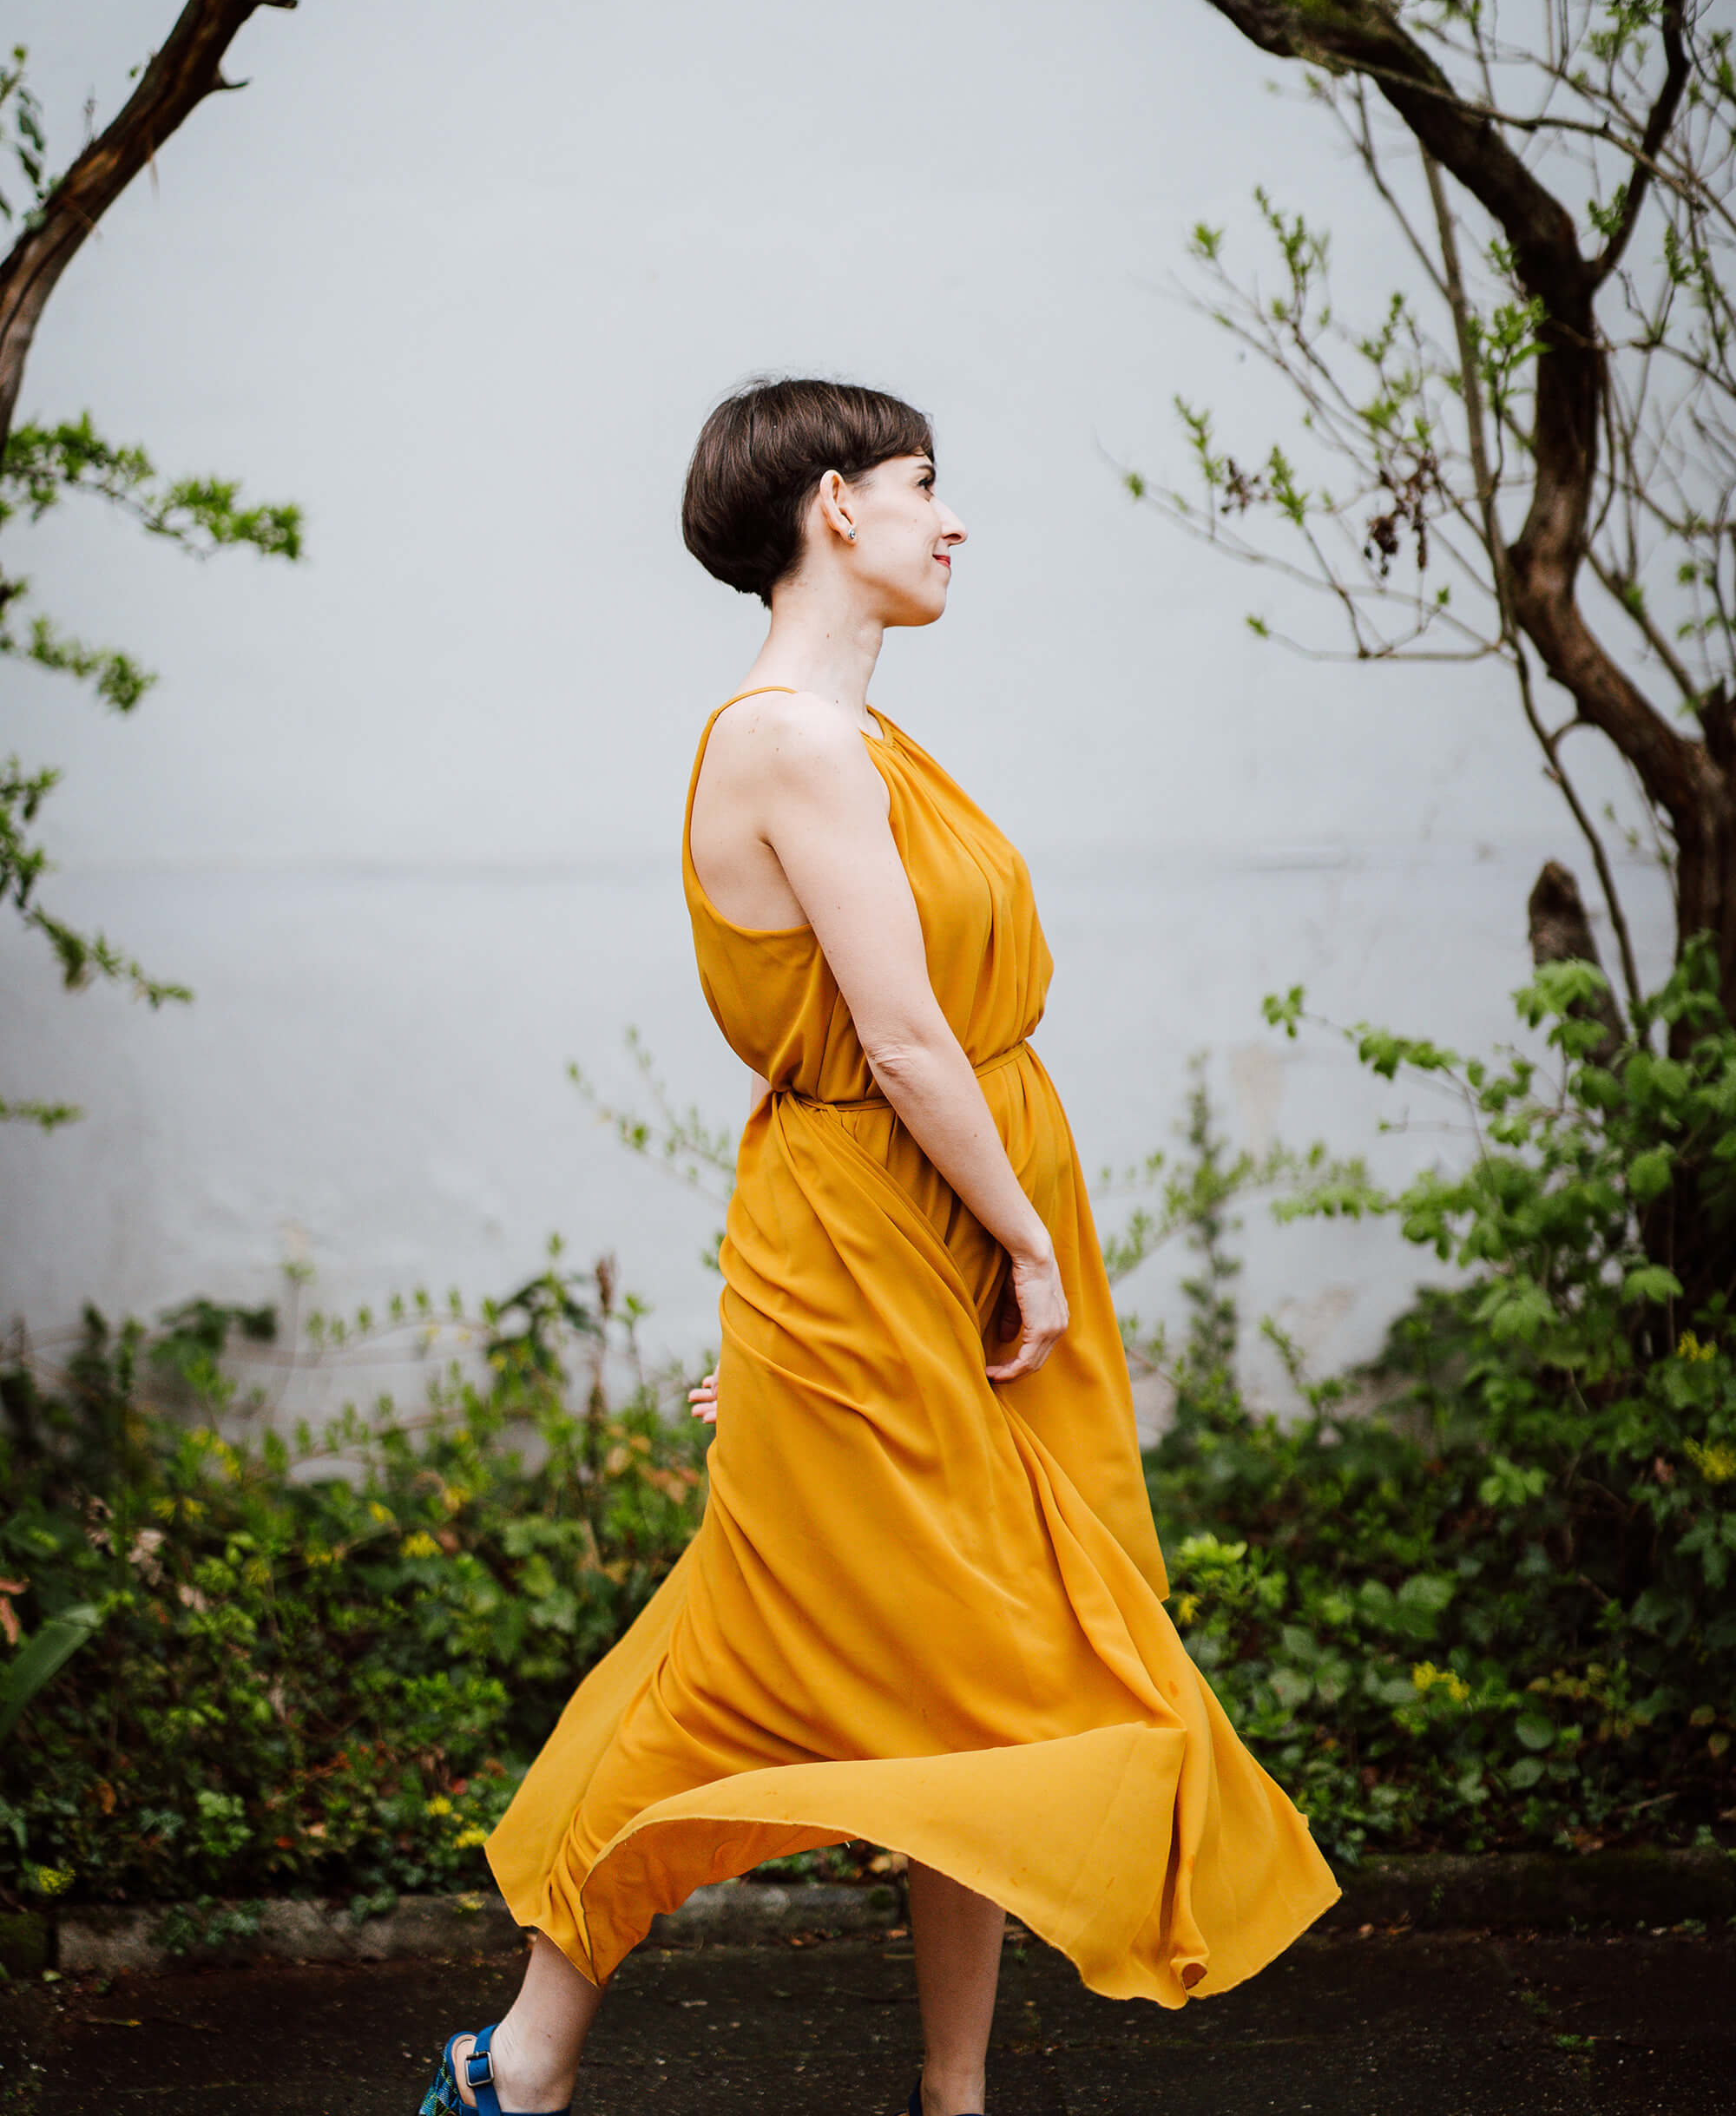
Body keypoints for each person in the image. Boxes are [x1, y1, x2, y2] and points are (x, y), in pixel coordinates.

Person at [419, 378, 1338, 2116]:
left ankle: (948, 2093)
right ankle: (521, 2062)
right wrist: (1032, 1251)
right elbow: (903, 1044)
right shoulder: (784, 739)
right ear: (833, 506)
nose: (953, 518)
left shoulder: (868, 741)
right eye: (928, 484)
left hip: (916, 1231)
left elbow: (932, 1046)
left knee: (975, 1675)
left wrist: (993, 1237)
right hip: (893, 1230)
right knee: (790, 1661)